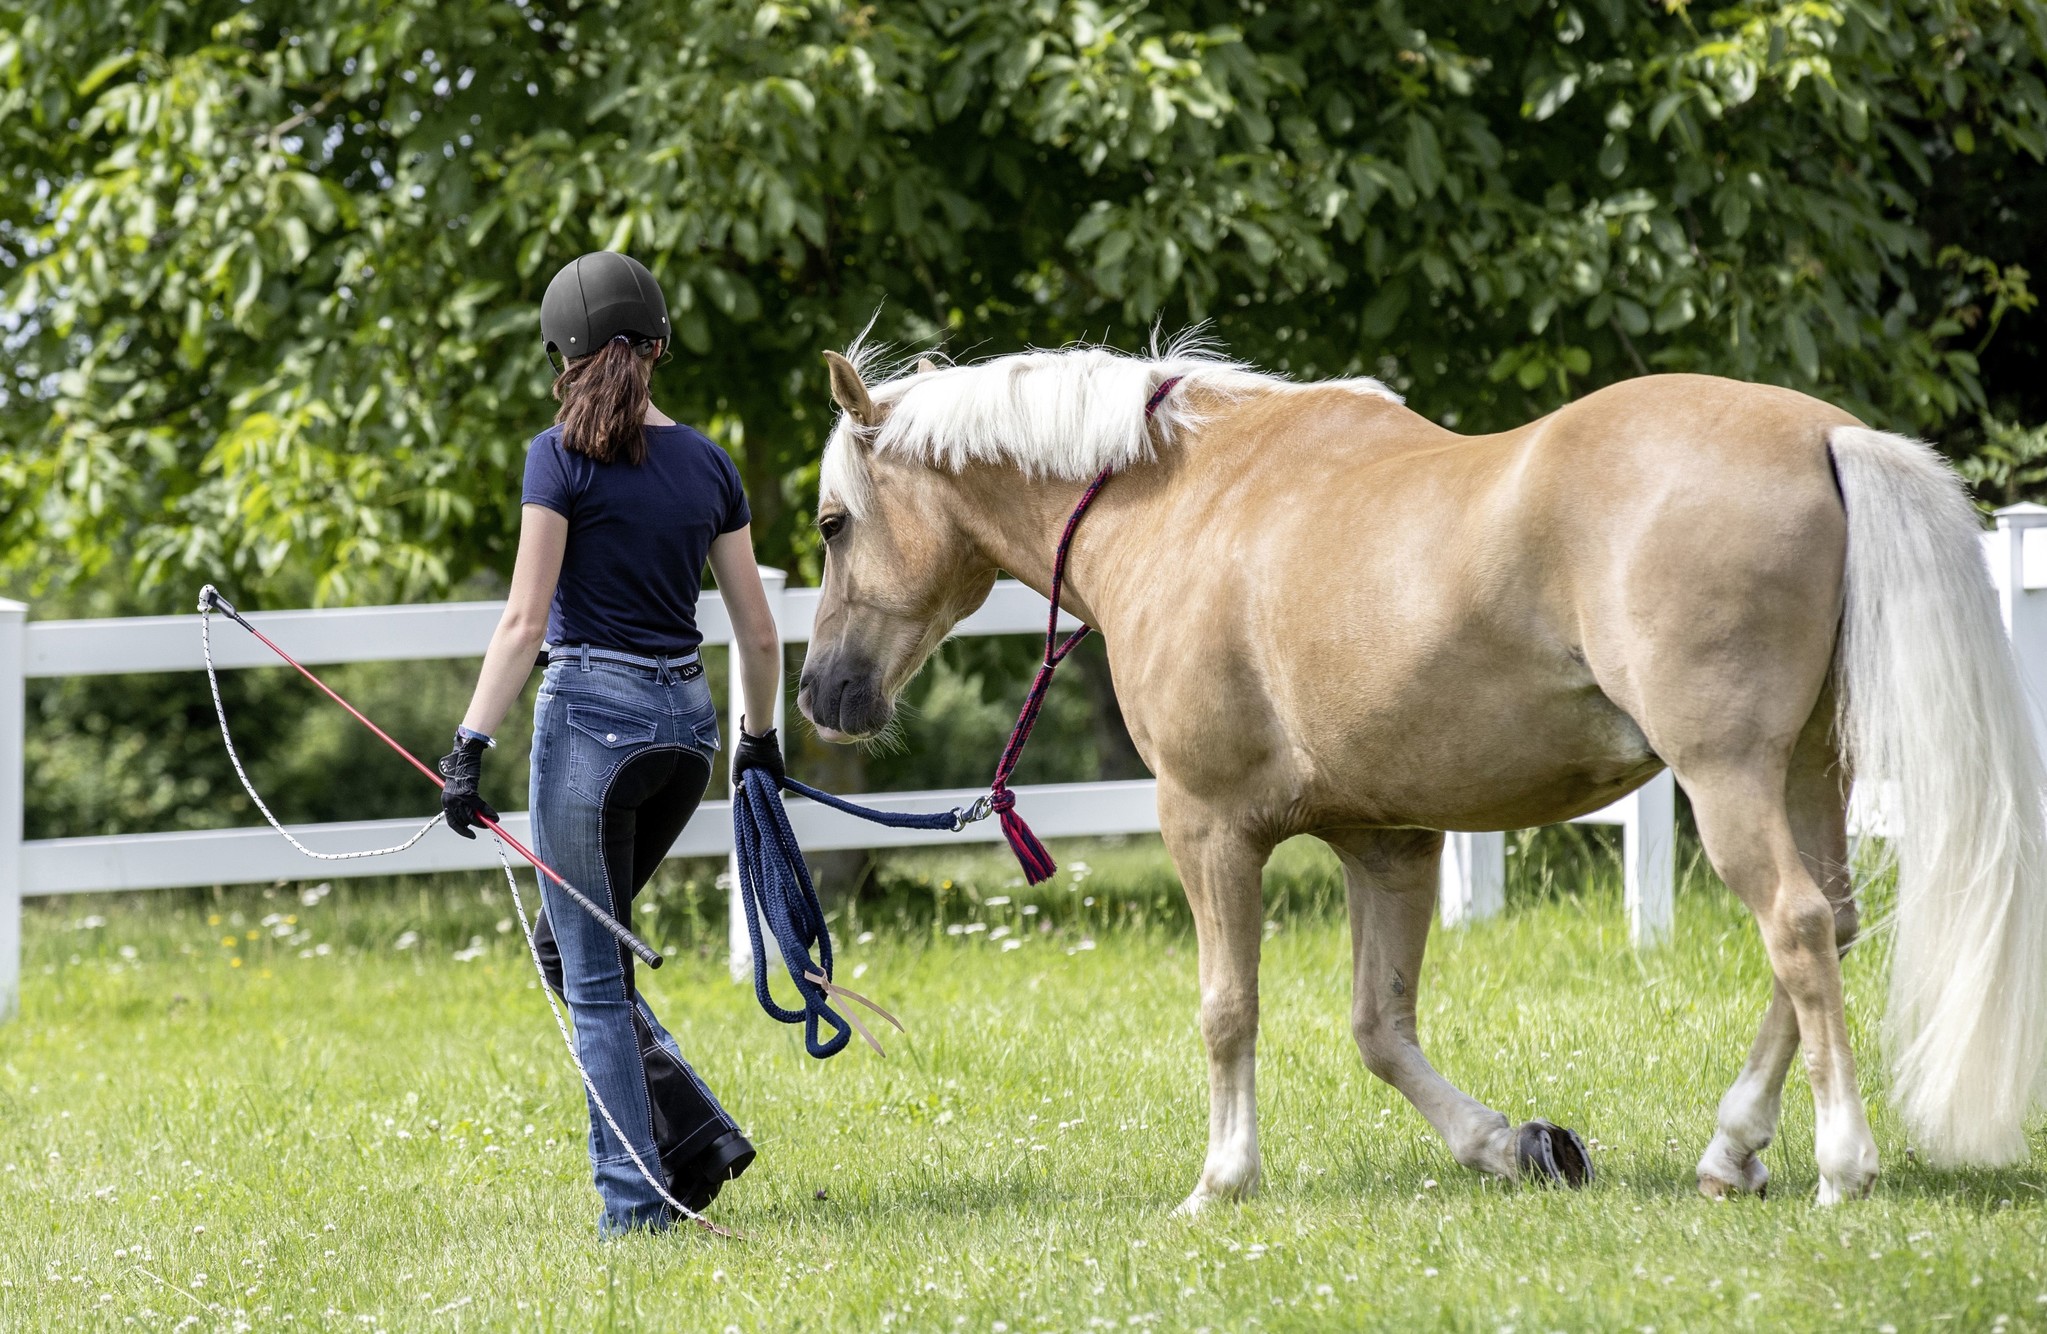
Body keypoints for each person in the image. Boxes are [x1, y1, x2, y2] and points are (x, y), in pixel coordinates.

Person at [435, 251, 786, 1235]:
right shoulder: (710, 463)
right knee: (572, 943)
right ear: (660, 345)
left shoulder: (556, 457)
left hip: (592, 726)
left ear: (562, 353)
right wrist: (759, 743)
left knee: (591, 976)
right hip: (687, 735)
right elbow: (759, 633)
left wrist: (469, 743)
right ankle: (696, 1135)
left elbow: (523, 619)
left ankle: (636, 1209)